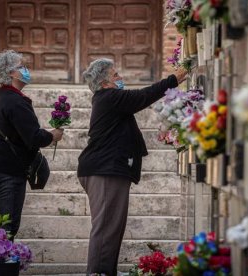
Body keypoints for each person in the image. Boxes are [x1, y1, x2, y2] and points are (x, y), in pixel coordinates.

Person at [78, 58, 187, 275]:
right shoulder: (109, 97)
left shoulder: (109, 98)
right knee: (107, 228)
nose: (120, 79)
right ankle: (97, 273)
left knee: (112, 228)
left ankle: (104, 271)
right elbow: (142, 97)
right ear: (104, 82)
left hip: (106, 169)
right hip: (104, 171)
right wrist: (173, 80)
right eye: (115, 75)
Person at [0, 49, 64, 238]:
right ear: (10, 73)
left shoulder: (1, 97)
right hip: (7, 171)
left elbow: (18, 133)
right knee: (8, 227)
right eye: (22, 67)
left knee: (0, 223)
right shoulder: (15, 101)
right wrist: (52, 136)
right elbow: (33, 138)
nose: (26, 70)